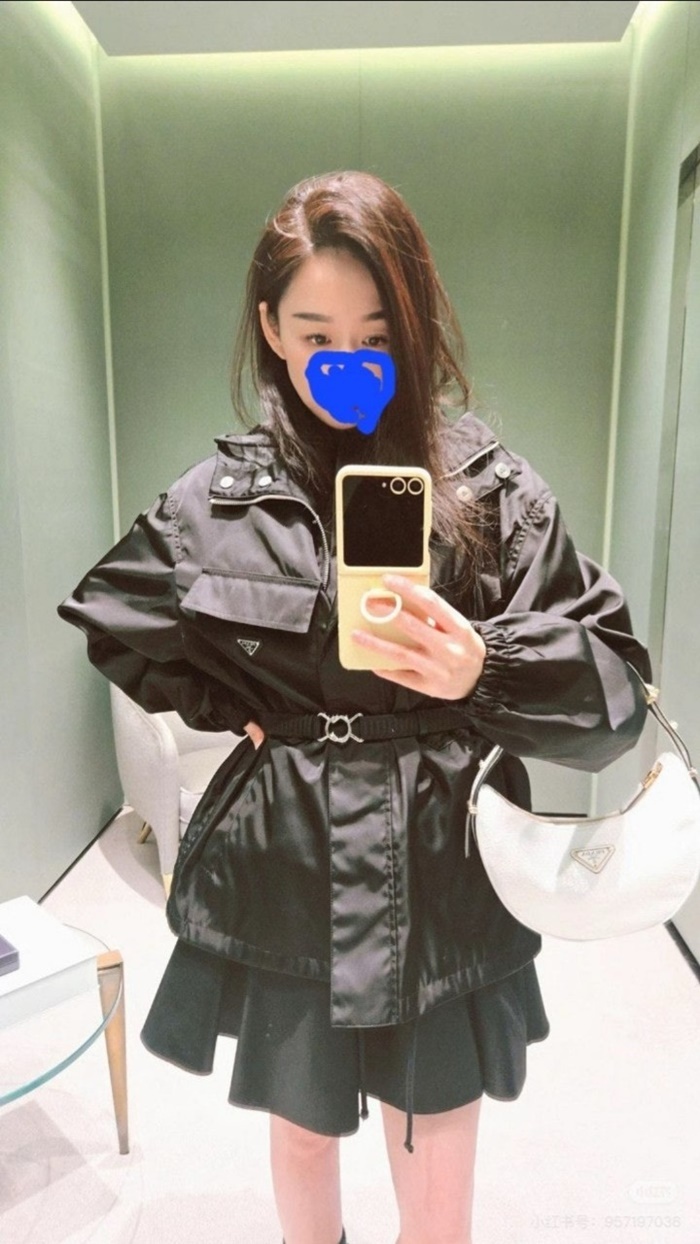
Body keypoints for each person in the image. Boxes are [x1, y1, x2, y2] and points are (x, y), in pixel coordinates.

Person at [59, 171, 651, 1244]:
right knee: (301, 1129)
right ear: (270, 330)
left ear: (414, 322)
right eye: (316, 332)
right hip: (289, 861)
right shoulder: (218, 502)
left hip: (443, 862)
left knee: (438, 1139)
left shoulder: (491, 491)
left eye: (377, 334)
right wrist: (228, 703)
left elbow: (615, 693)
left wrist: (484, 669)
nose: (348, 361)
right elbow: (115, 617)